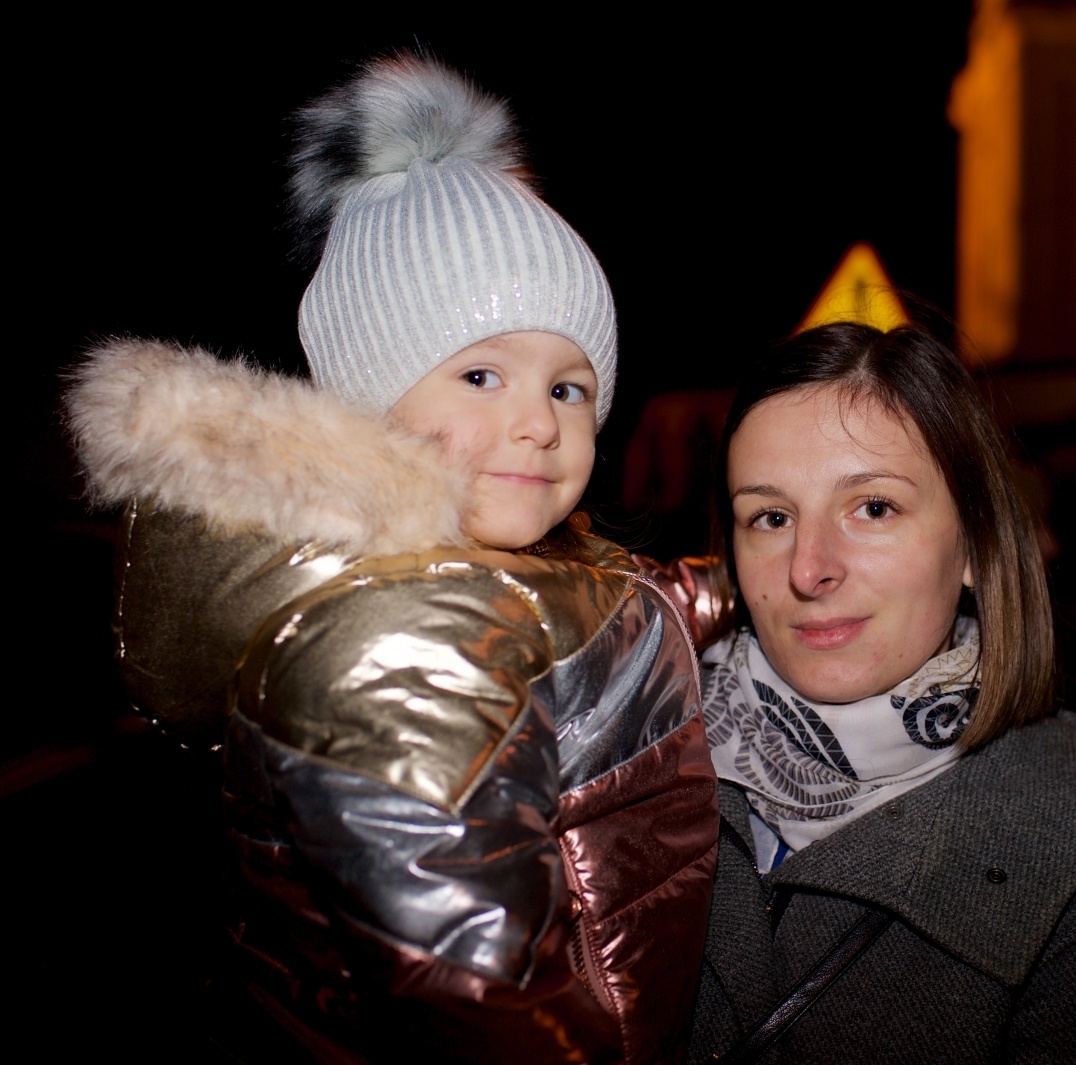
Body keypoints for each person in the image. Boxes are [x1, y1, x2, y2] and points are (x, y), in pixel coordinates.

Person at [66, 55, 716, 1064]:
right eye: (482, 373)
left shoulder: (498, 567)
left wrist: (748, 586)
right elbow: (481, 1001)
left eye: (568, 388)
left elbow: (610, 607)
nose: (536, 424)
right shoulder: (398, 645)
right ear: (372, 405)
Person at [678, 323, 1076, 1064]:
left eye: (874, 508)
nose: (809, 568)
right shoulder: (628, 764)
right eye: (771, 517)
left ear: (973, 544)